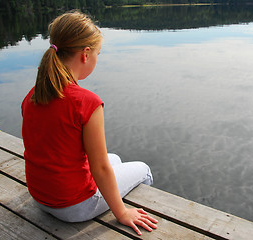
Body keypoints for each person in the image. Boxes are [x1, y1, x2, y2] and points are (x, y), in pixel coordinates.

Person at [21, 10, 157, 236]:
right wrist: (121, 214)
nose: (96, 58)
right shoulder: (87, 102)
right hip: (74, 207)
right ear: (85, 54)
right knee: (143, 169)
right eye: (97, 54)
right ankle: (143, 210)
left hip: (41, 198)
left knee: (115, 158)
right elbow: (100, 169)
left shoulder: (33, 95)